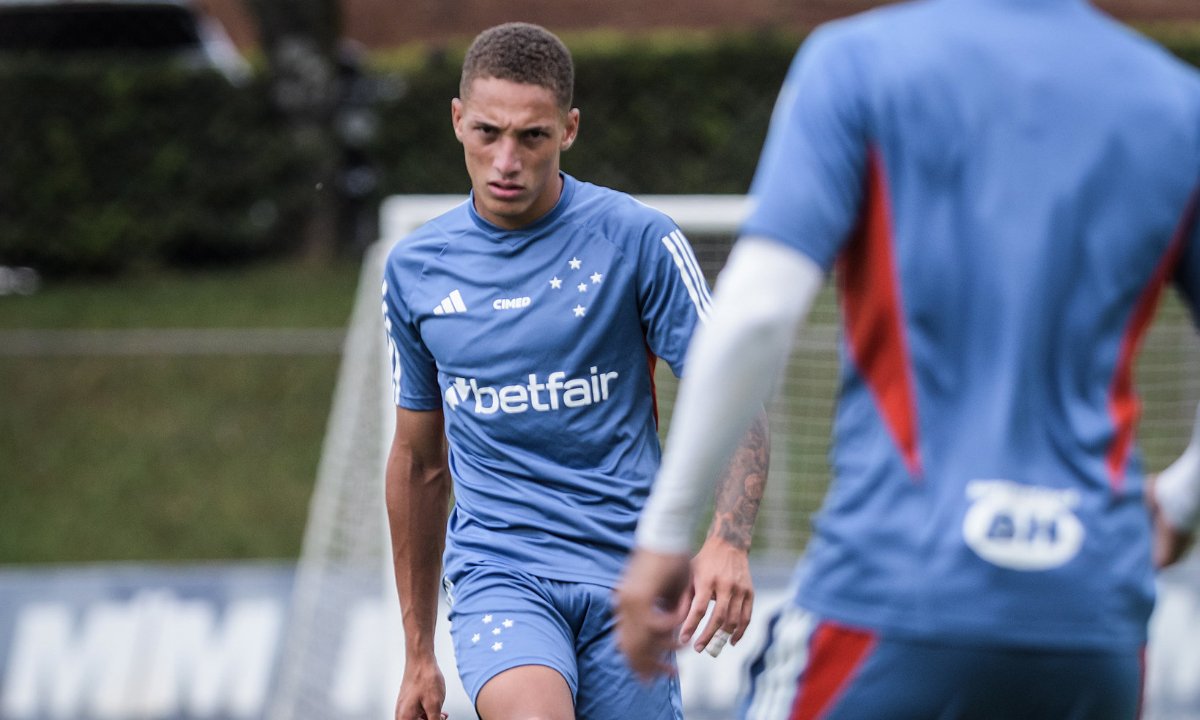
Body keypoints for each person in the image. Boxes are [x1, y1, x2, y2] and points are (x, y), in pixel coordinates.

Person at [615, 0, 1200, 718]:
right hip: (1091, 611)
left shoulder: (858, 64)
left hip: (894, 589)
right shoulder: (1176, 102)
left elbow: (758, 314)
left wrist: (666, 532)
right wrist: (1179, 501)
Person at [381, 22, 770, 720]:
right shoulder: (415, 270)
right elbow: (418, 464)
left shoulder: (638, 241)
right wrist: (417, 652)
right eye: (487, 133)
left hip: (631, 577)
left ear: (569, 129)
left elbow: (733, 390)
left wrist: (728, 539)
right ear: (456, 121)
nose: (506, 159)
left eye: (531, 136)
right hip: (501, 574)